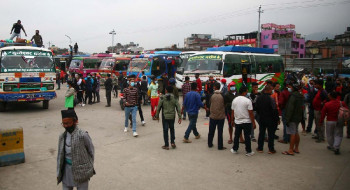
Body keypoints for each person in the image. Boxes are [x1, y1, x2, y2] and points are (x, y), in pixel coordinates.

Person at [57, 110, 95, 190]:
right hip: (66, 171)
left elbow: (91, 151)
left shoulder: (83, 135)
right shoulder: (62, 137)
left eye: (68, 123)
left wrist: (88, 166)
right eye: (64, 123)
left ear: (75, 121)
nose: (66, 126)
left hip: (82, 172)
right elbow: (60, 155)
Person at [230, 85, 256, 156]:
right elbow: (251, 113)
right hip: (246, 121)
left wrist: (232, 120)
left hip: (237, 121)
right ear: (245, 92)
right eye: (247, 91)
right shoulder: (248, 101)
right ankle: (248, 151)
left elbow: (232, 111)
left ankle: (235, 149)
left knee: (236, 136)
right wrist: (253, 122)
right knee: (247, 136)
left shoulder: (234, 100)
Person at [155, 86, 182, 150]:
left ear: (166, 90)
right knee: (172, 129)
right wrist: (179, 117)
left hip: (165, 116)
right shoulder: (175, 98)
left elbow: (158, 107)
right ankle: (172, 142)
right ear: (172, 91)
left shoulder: (162, 98)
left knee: (165, 130)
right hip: (172, 116)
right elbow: (178, 108)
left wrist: (157, 116)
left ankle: (166, 145)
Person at [256, 85, 279, 154]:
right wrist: (277, 118)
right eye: (271, 90)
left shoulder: (259, 98)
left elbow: (257, 108)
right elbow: (274, 109)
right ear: (268, 90)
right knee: (271, 134)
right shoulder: (271, 98)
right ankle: (271, 149)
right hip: (270, 118)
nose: (272, 91)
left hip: (262, 118)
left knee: (261, 133)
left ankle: (260, 148)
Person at [282, 82, 304, 156]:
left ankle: (290, 150)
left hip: (292, 117)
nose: (289, 88)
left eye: (290, 87)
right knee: (296, 132)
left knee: (292, 133)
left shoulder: (293, 96)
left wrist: (287, 118)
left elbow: (290, 108)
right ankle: (296, 148)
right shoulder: (300, 96)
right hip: (298, 117)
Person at [208, 83, 226, 150]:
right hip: (221, 116)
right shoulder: (222, 95)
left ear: (215, 87)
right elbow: (225, 104)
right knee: (220, 132)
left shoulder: (211, 95)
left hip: (213, 116)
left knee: (211, 131)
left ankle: (210, 143)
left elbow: (209, 103)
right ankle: (220, 146)